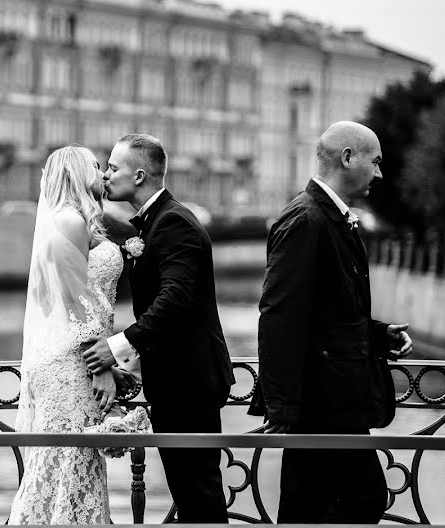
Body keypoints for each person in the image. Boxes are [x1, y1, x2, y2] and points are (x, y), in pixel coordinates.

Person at [250, 121, 412, 523]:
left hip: (335, 400)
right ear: (347, 157)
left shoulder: (327, 217)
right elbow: (280, 315)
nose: (379, 173)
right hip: (321, 405)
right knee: (341, 503)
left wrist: (377, 335)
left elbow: (327, 311)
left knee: (326, 506)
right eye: (375, 162)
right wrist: (282, 406)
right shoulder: (306, 219)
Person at [82, 134, 234, 523]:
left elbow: (175, 301)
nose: (106, 174)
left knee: (198, 492)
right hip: (179, 380)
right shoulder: (158, 221)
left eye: (113, 167)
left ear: (138, 175)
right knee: (190, 490)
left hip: (190, 383)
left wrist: (117, 346)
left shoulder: (174, 224)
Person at [8, 145, 140, 525]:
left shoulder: (74, 220)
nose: (102, 173)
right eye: (95, 166)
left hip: (73, 354)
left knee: (74, 462)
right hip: (72, 361)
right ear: (75, 172)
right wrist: (99, 365)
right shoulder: (69, 221)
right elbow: (74, 301)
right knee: (67, 461)